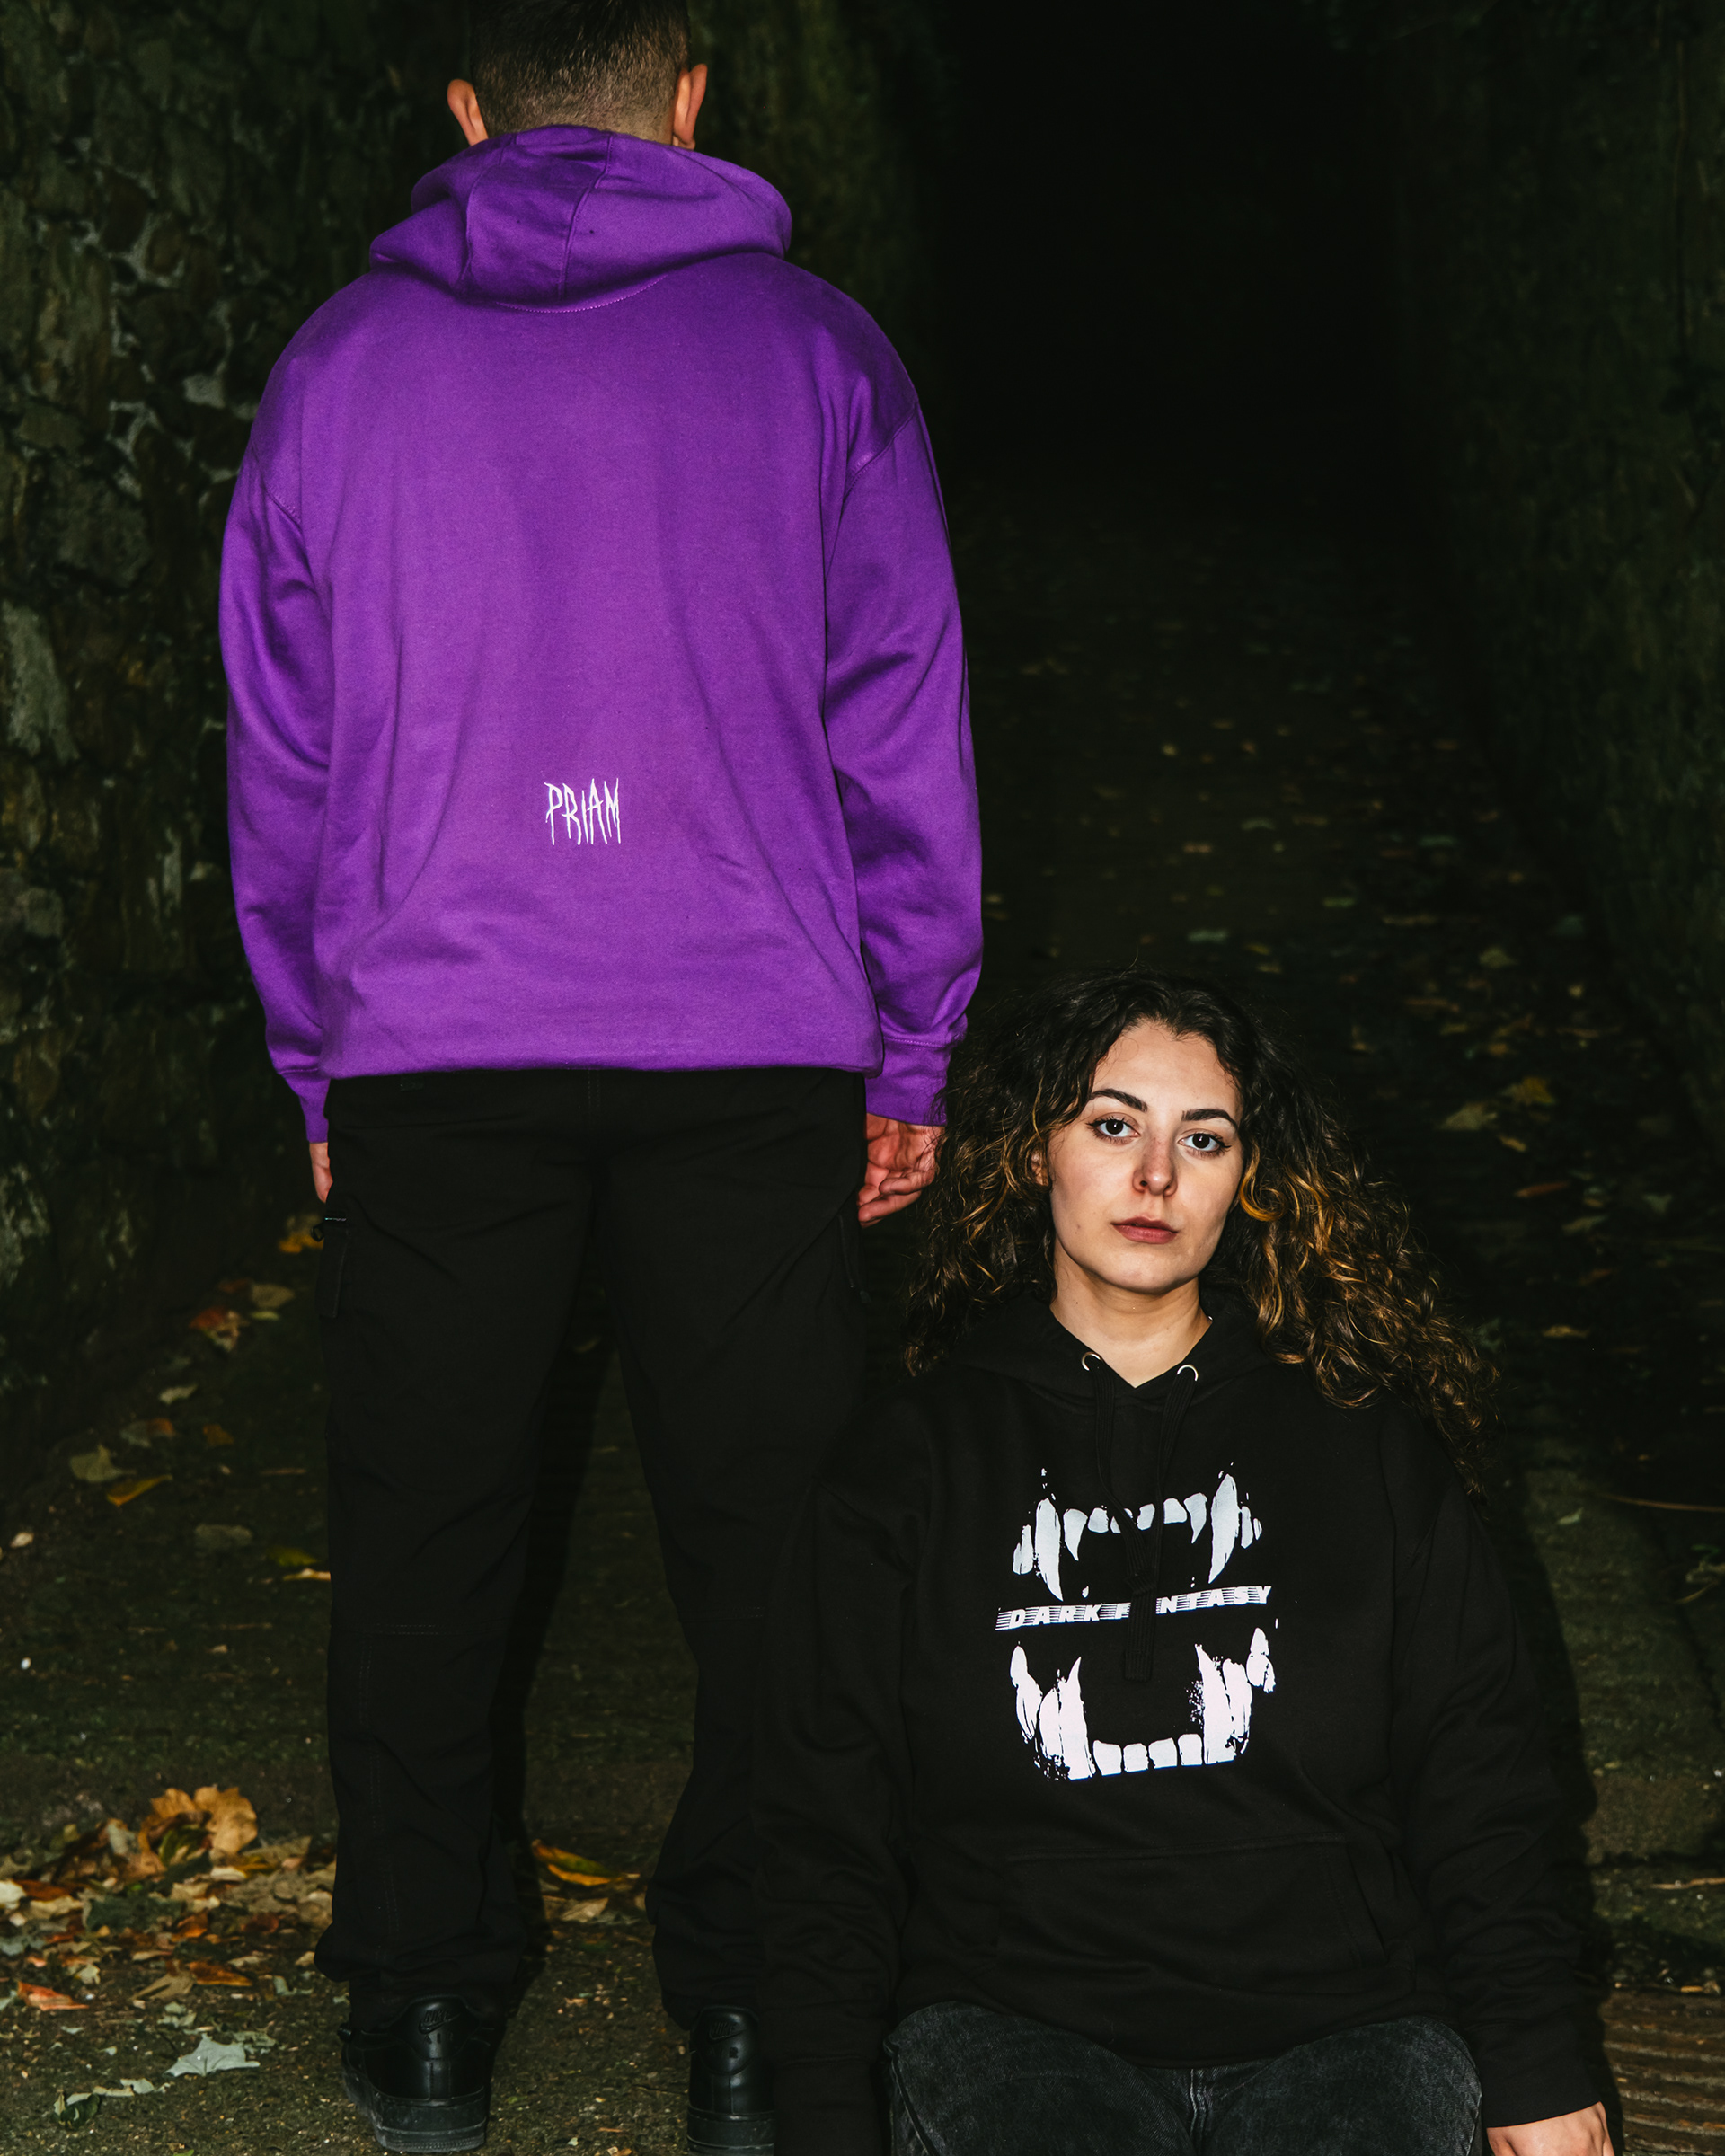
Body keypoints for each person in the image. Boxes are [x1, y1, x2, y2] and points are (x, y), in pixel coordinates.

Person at [218, 2, 979, 2147]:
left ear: (466, 111)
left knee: (426, 1535)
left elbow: (282, 757)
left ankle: (424, 2006)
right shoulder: (821, 358)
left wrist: (316, 1057)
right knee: (776, 1555)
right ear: (693, 100)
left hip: (438, 1038)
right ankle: (753, 2014)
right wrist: (913, 1030)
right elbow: (899, 718)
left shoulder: (338, 369)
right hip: (747, 1031)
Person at [754, 968, 1612, 2156]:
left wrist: (1537, 2064)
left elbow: (1483, 1776)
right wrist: (823, 2112)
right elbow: (821, 1817)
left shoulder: (1363, 1441)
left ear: (1249, 1178)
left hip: (1349, 2029)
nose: (1156, 1176)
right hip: (1016, 2028)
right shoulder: (910, 1463)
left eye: (1202, 1139)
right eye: (1114, 1127)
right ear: (1035, 1153)